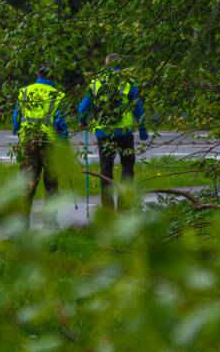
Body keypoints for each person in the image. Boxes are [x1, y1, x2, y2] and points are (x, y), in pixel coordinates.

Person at [77, 53, 149, 211]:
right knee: (128, 166)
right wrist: (143, 130)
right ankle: (123, 205)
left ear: (106, 65)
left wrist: (82, 121)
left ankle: (108, 208)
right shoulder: (128, 82)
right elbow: (138, 108)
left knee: (106, 169)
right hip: (124, 133)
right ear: (120, 65)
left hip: (104, 134)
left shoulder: (95, 82)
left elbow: (83, 107)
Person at [12, 66, 69, 227]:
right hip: (49, 143)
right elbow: (60, 123)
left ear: (37, 74)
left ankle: (23, 222)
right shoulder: (57, 95)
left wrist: (17, 130)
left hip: (28, 142)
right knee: (51, 184)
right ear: (53, 76)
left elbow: (17, 117)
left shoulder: (25, 91)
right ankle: (50, 221)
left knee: (27, 182)